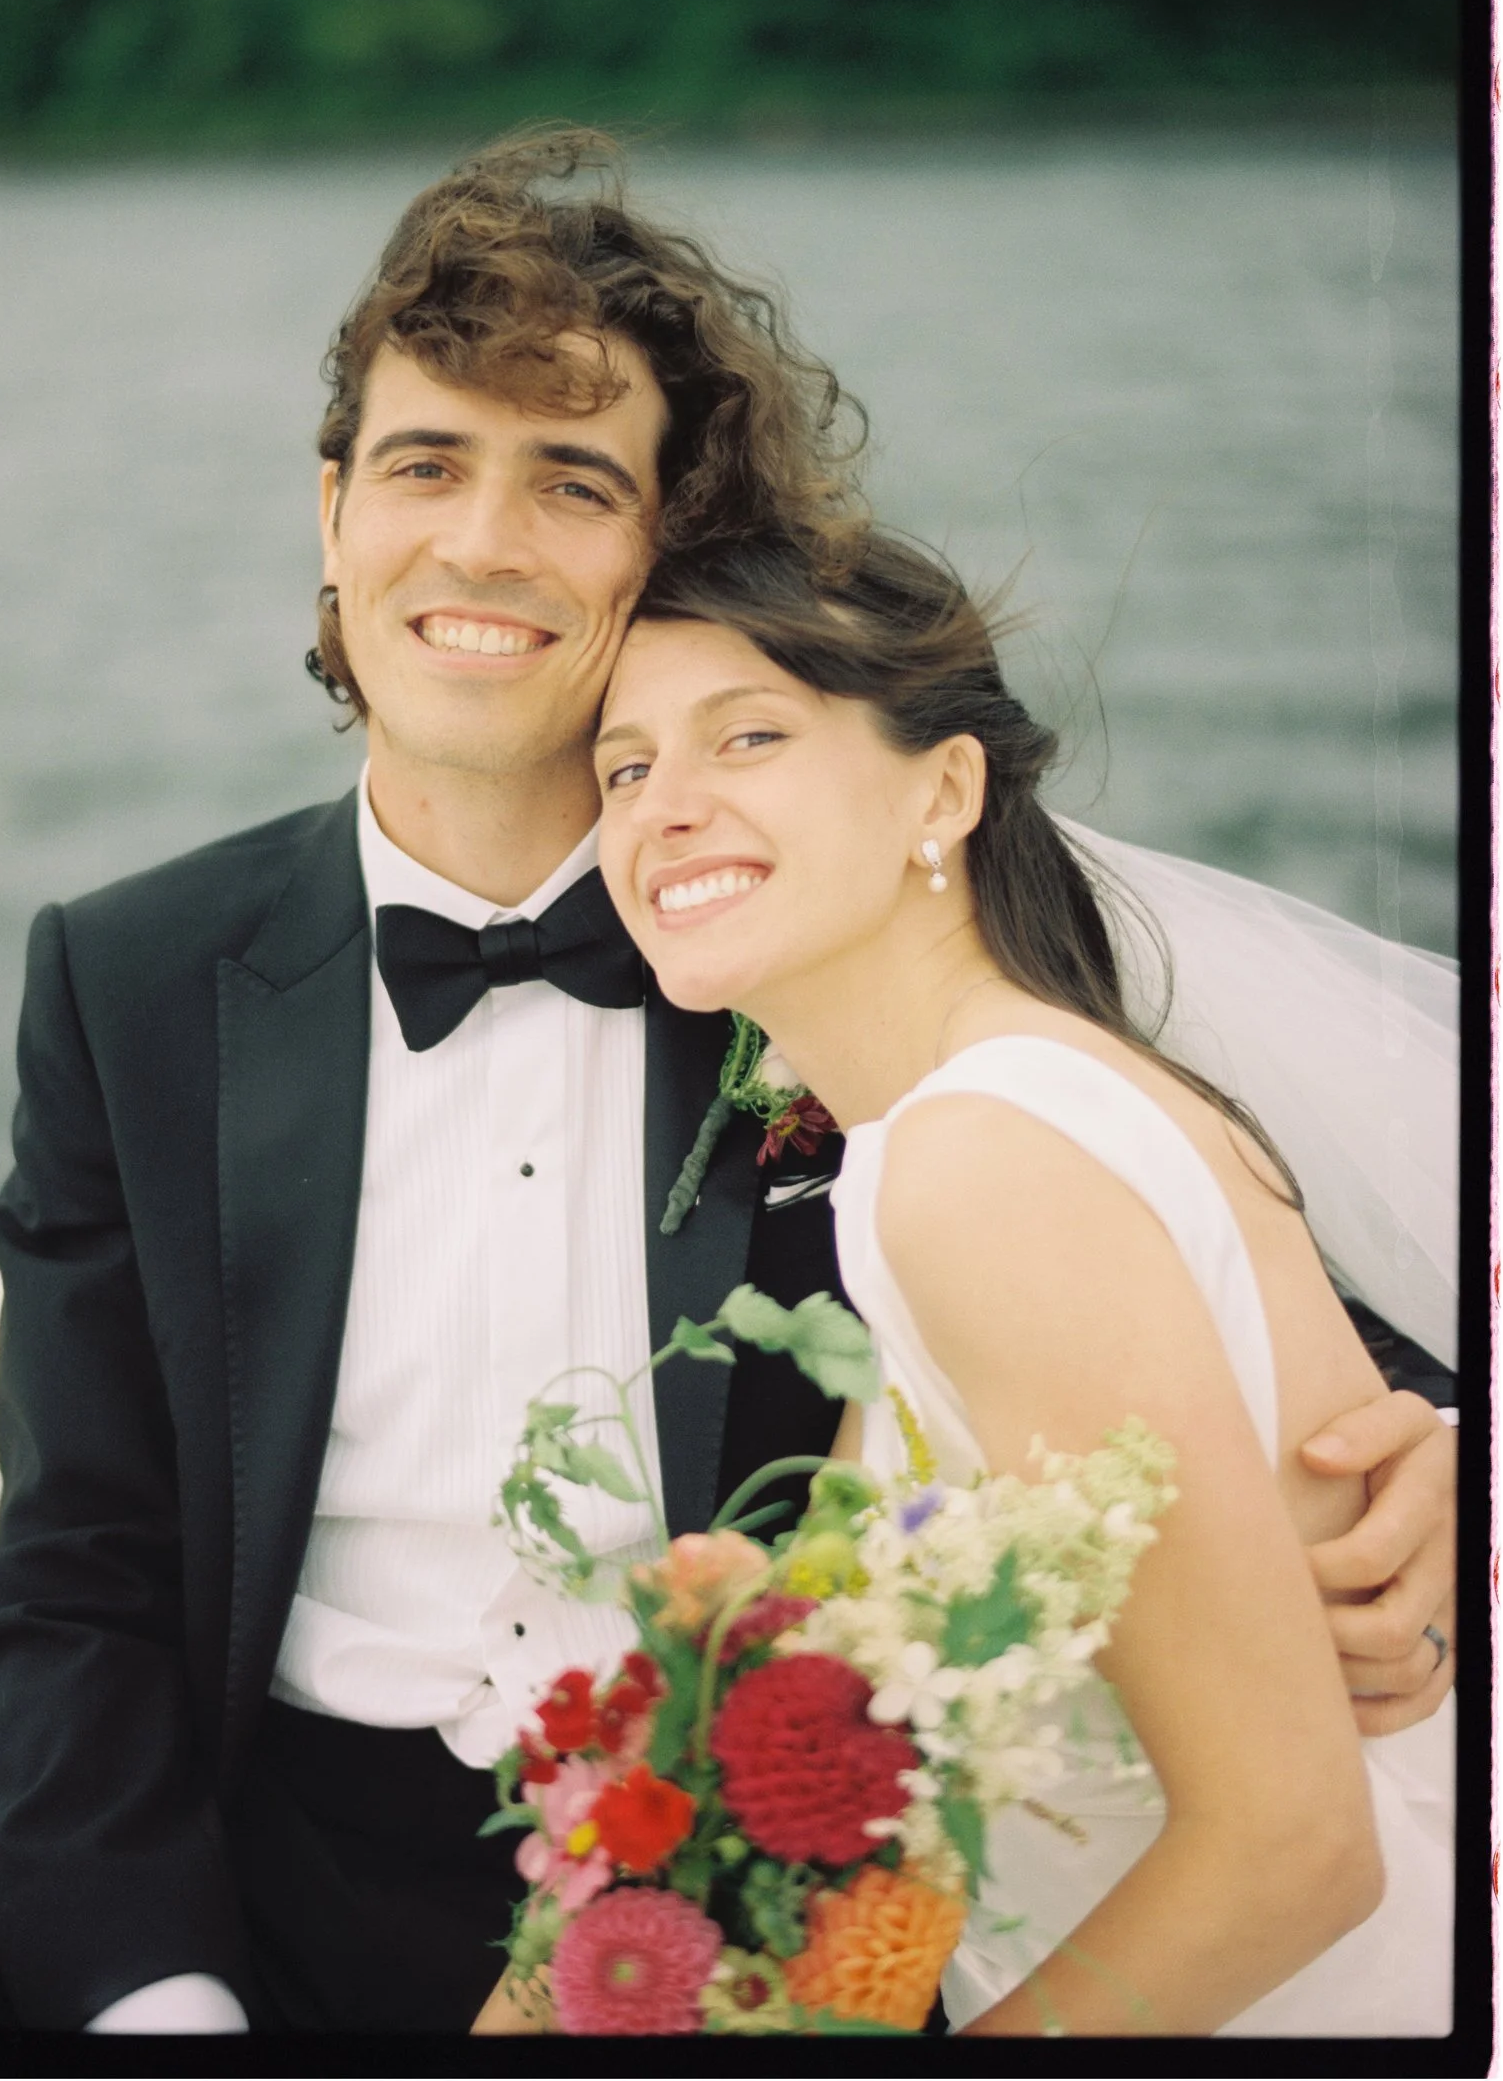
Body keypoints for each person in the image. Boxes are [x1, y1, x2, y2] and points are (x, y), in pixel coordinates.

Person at [0, 130, 1454, 2039]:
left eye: (572, 483)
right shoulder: (131, 973)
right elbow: (78, 1569)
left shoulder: (816, 938)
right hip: (260, 1849)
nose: (481, 543)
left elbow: (1203, 1252)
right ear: (333, 513)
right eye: (424, 465)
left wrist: (1439, 1465)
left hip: (760, 1880)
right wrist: (165, 2012)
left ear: (663, 550)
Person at [592, 522, 1457, 2036]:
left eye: (749, 735)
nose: (663, 807)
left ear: (943, 790)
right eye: (622, 769)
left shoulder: (986, 1158)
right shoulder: (943, 1135)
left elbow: (1295, 1849)